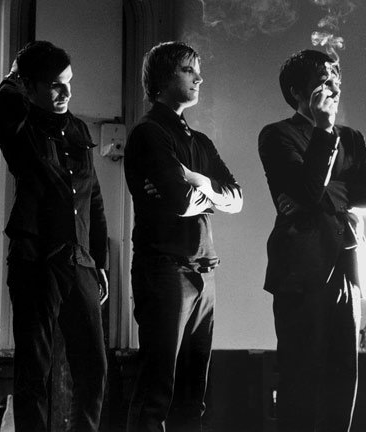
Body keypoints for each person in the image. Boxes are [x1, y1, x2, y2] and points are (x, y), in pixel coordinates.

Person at [0, 41, 108, 432]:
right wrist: (13, 76)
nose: (66, 92)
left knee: (94, 366)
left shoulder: (79, 130)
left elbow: (94, 199)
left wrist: (99, 262)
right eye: (55, 84)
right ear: (30, 86)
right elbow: (5, 107)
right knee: (34, 370)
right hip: (34, 259)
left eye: (68, 82)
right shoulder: (17, 124)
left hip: (80, 261)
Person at [124, 41, 243, 432]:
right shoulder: (148, 133)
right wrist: (207, 195)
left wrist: (199, 183)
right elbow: (180, 201)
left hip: (204, 271)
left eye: (197, 70)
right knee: (156, 391)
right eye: (188, 70)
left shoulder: (200, 141)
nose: (199, 78)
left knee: (193, 396)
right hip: (164, 270)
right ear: (163, 78)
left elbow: (238, 198)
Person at [258, 49, 366, 432]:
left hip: (347, 268)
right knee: (301, 378)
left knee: (344, 377)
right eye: (323, 81)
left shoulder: (353, 138)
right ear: (297, 92)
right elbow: (308, 191)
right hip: (300, 270)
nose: (333, 88)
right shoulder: (276, 135)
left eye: (335, 80)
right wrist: (324, 131)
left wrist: (323, 195)